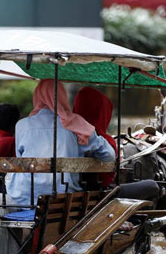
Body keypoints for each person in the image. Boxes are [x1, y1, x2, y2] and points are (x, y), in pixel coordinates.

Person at [6, 79, 116, 207]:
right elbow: (109, 155)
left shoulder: (22, 125)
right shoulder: (75, 125)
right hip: (64, 197)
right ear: (63, 96)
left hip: (25, 196)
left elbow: (20, 159)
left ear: (37, 96)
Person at [73, 87, 117, 189]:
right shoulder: (104, 141)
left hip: (66, 189)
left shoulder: (67, 134)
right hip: (99, 195)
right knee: (151, 186)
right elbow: (110, 158)